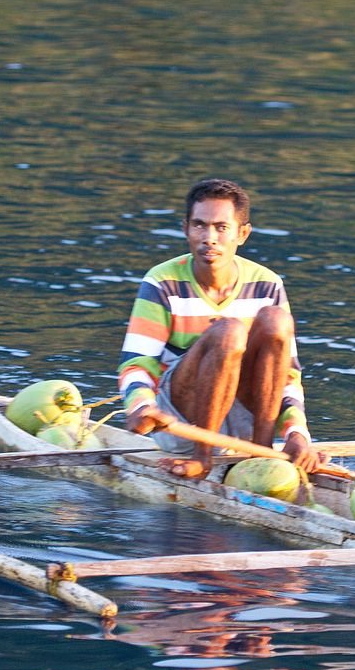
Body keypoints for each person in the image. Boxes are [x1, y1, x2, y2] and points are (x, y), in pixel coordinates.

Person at [119, 179, 322, 478]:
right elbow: (137, 365)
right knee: (230, 332)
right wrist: (140, 408)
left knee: (276, 320)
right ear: (185, 229)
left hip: (241, 415)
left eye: (221, 228)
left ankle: (260, 455)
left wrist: (297, 434)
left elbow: (288, 374)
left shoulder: (267, 284)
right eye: (199, 226)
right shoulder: (161, 282)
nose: (209, 238)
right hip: (182, 423)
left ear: (242, 234)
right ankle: (202, 458)